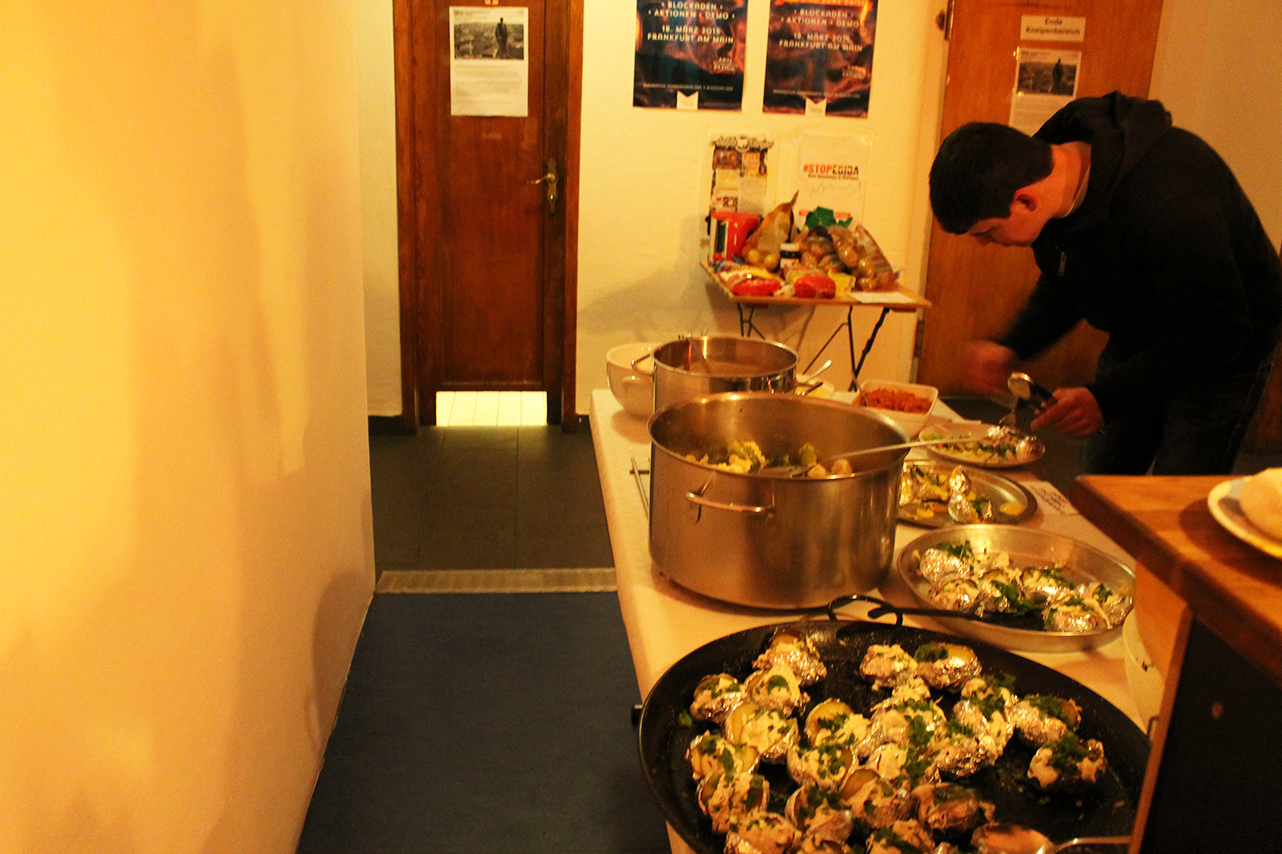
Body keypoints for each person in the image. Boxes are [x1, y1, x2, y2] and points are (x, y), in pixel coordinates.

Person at [929, 91, 1282, 475]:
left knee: (1175, 491)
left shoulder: (1170, 204)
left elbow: (1219, 330)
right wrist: (1011, 345)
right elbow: (1066, 280)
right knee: (1099, 480)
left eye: (986, 231)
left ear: (1025, 201)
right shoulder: (1045, 174)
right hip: (1140, 331)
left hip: (1224, 348)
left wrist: (1106, 398)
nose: (984, 244)